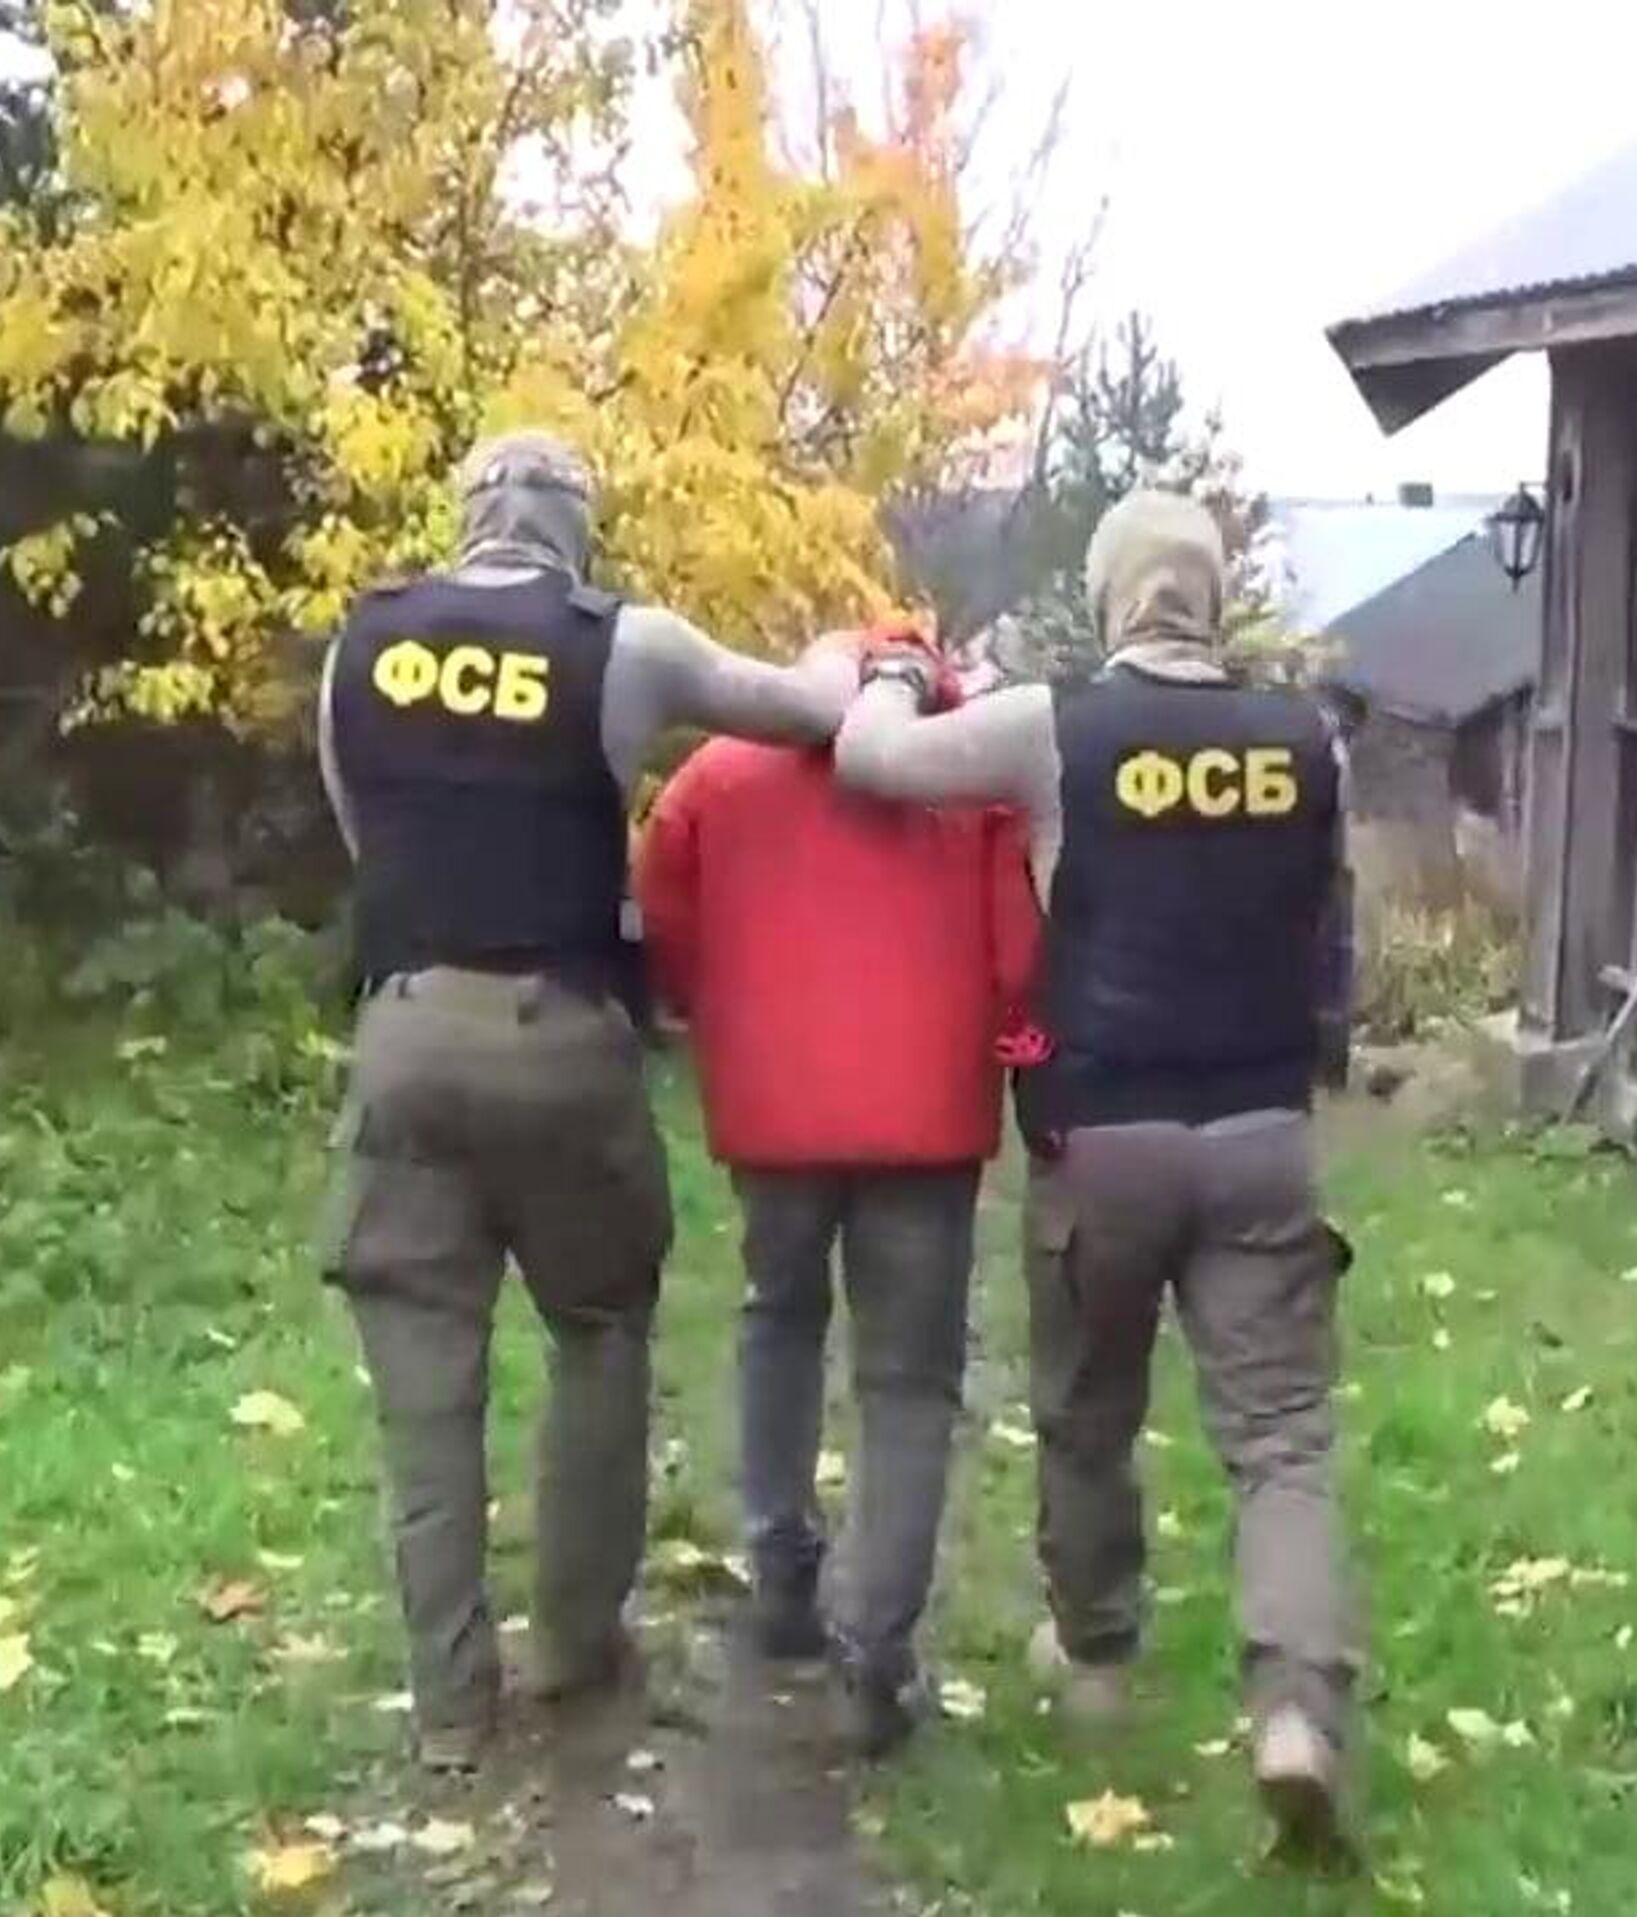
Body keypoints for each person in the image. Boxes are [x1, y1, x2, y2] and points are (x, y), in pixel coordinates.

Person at [316, 431, 854, 1775]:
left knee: (423, 1386)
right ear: (575, 527)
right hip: (565, 1039)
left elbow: (364, 837)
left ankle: (451, 1709)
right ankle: (573, 1648)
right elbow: (805, 710)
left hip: (407, 1030)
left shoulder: (360, 643)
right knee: (599, 1332)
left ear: (466, 515)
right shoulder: (625, 643)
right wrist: (863, 661)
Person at [833, 492, 1360, 1852]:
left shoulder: (1054, 728)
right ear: (1215, 596)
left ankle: (1097, 1658)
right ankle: (1296, 1711)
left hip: (1103, 1140)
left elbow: (873, 760)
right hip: (1259, 1134)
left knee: (1085, 1410)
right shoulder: (1311, 741)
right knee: (1282, 1441)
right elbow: (1330, 925)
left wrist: (893, 671)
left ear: (1112, 594)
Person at [633, 632, 1040, 1756]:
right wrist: (1012, 1040)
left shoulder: (717, 774)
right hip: (928, 1115)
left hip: (772, 1109)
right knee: (909, 1378)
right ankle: (876, 1647)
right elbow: (1021, 954)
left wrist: (717, 1012)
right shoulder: (972, 777)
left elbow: (664, 917)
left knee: (779, 1317)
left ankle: (782, 1578)